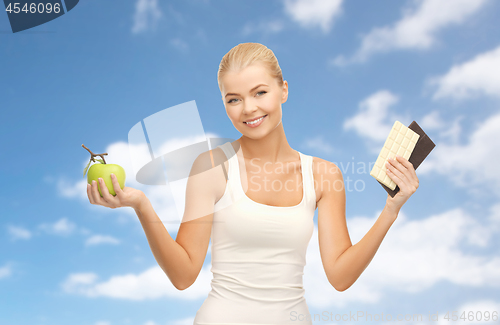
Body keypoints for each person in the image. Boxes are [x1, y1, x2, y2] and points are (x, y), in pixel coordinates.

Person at [86, 42, 419, 324]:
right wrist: (141, 205)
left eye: (260, 92)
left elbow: (340, 276)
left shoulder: (324, 175)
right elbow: (184, 275)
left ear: (283, 90)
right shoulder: (212, 167)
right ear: (225, 104)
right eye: (234, 99)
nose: (249, 108)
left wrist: (391, 210)